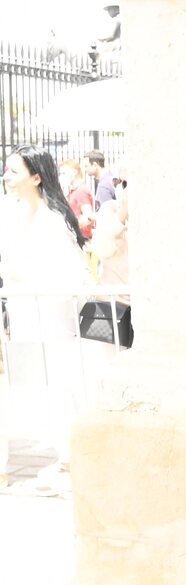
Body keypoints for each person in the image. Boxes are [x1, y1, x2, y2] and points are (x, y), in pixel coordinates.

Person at [0, 146, 90, 487]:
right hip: (23, 316)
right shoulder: (13, 215)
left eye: (14, 170)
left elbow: (69, 277)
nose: (7, 176)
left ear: (35, 177)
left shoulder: (53, 220)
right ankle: (64, 457)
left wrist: (20, 274)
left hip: (52, 317)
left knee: (62, 388)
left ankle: (72, 459)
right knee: (36, 391)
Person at [58, 159, 95, 239]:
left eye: (64, 173)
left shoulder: (81, 191)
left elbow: (88, 216)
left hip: (81, 238)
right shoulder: (75, 190)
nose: (61, 176)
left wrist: (72, 226)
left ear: (74, 172)